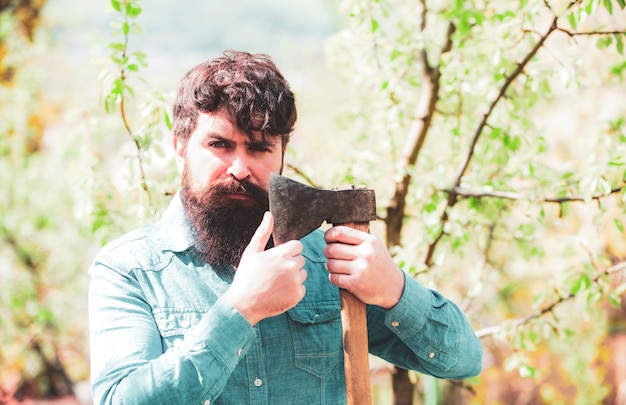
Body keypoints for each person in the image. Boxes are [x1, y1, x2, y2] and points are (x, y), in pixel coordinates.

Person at [88, 49, 482, 405]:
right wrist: (240, 310)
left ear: (282, 156)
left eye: (259, 148)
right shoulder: (131, 269)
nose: (240, 168)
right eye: (220, 145)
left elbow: (463, 360)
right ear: (179, 148)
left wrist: (394, 289)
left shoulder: (331, 262)